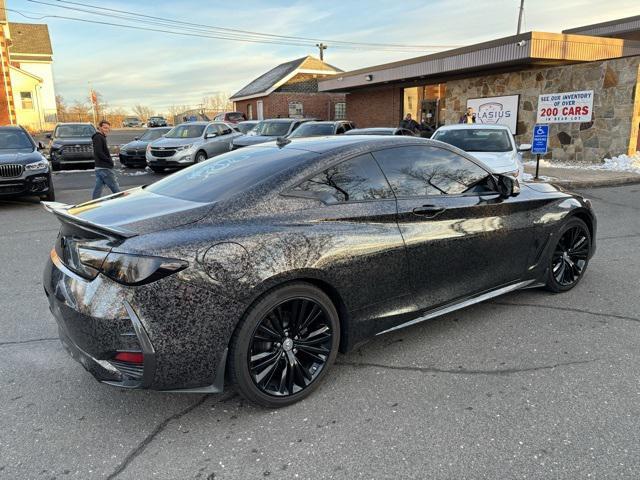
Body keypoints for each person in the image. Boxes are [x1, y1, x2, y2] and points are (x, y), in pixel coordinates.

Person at [91, 120, 120, 199]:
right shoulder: (98, 137)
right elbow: (99, 152)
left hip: (99, 168)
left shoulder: (100, 137)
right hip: (104, 168)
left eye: (107, 128)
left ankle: (93, 204)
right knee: (115, 188)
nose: (106, 130)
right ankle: (122, 203)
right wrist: (109, 161)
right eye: (104, 128)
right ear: (99, 127)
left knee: (98, 189)